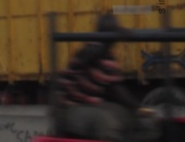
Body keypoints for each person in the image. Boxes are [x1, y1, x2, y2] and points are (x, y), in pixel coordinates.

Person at [53, 14, 160, 142]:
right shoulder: (91, 49)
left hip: (91, 105)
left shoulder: (107, 58)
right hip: (69, 108)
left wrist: (138, 109)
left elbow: (116, 89)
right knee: (105, 122)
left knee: (130, 117)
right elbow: (86, 59)